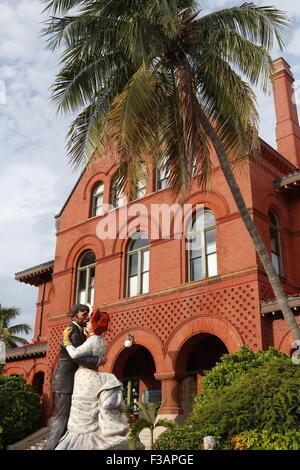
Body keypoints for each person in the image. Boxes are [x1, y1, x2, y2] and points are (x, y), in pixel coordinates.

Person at [54, 308, 129, 450]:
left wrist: (66, 341)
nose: (87, 322)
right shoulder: (100, 340)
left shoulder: (92, 340)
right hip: (93, 376)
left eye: (89, 321)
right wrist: (100, 360)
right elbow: (101, 358)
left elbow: (75, 355)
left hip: (85, 378)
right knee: (89, 412)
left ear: (94, 326)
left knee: (81, 412)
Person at [43, 304, 100, 450]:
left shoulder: (80, 331)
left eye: (88, 313)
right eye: (83, 314)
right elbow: (76, 357)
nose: (87, 316)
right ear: (74, 316)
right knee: (62, 419)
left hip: (73, 381)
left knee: (69, 420)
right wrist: (98, 361)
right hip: (64, 382)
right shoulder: (71, 331)